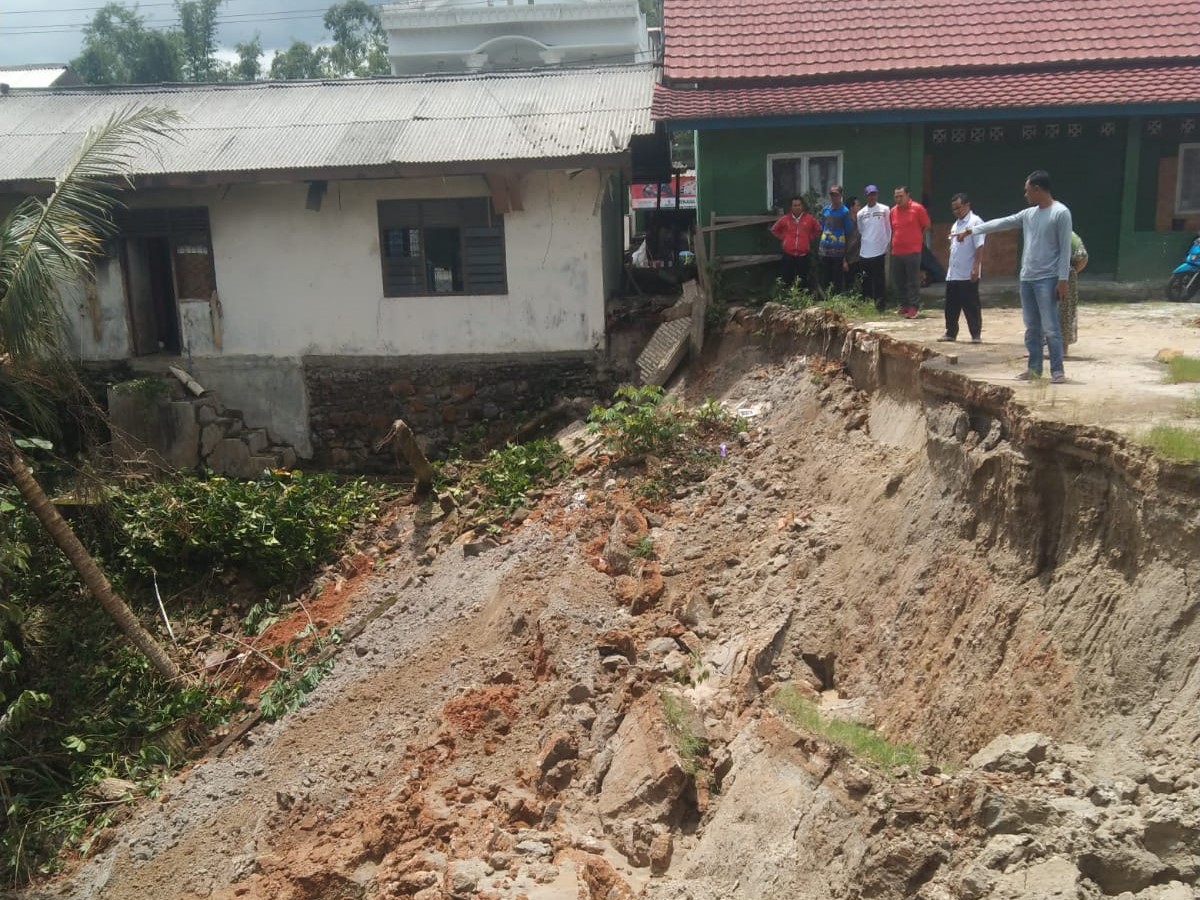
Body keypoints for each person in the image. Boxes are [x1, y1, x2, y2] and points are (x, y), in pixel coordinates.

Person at [958, 169, 1072, 382]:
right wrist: (973, 231)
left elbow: (1065, 249)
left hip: (1047, 279)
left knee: (1050, 327)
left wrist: (1062, 280)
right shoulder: (1028, 215)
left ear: (1038, 189)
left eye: (1027, 190)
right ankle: (1034, 369)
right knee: (1032, 327)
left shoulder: (1061, 213)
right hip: (1027, 278)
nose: (1025, 195)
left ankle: (1057, 371)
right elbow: (1002, 223)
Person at [939, 192, 986, 343]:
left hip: (967, 273)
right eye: (954, 209)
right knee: (951, 305)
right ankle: (951, 332)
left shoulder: (975, 222)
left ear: (967, 205)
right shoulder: (956, 224)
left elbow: (979, 246)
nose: (956, 211)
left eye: (959, 208)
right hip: (953, 274)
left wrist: (976, 267)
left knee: (971, 305)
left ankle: (975, 334)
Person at [889, 185, 930, 318]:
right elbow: (892, 229)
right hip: (897, 251)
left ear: (908, 195)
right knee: (899, 280)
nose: (898, 199)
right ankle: (904, 305)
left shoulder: (917, 209)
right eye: (896, 196)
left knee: (912, 280)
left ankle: (913, 307)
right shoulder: (893, 211)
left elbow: (926, 226)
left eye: (901, 196)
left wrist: (916, 239)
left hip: (913, 251)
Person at [770, 195, 821, 289]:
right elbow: (774, 230)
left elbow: (818, 230)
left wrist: (809, 238)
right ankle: (788, 298)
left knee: (802, 279)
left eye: (799, 205)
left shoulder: (809, 219)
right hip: (788, 254)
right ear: (791, 207)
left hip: (803, 255)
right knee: (787, 278)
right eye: (795, 205)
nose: (797, 207)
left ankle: (801, 299)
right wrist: (784, 238)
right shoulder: (785, 219)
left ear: (802, 206)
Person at [856, 185, 891, 310]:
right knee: (866, 280)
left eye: (874, 194)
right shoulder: (861, 213)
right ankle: (867, 304)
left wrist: (886, 243)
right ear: (866, 196)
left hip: (879, 250)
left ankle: (880, 306)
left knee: (879, 280)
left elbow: (888, 228)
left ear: (877, 195)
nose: (872, 197)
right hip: (865, 251)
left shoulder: (884, 209)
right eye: (869, 195)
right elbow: (861, 230)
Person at [818, 185, 856, 295]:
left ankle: (836, 300)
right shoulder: (825, 210)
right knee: (825, 276)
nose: (834, 197)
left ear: (841, 196)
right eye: (832, 195)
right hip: (825, 249)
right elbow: (821, 226)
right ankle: (825, 299)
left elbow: (848, 230)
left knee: (837, 278)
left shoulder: (845, 211)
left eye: (836, 195)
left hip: (838, 251)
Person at [1062, 231, 1087, 357]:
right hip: (1043, 275)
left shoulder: (1070, 236)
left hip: (1064, 278)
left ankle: (1063, 350)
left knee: (1064, 312)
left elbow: (1082, 257)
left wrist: (1070, 272)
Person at [843, 195, 862, 292]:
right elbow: (842, 242)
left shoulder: (861, 220)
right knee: (849, 284)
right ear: (851, 207)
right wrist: (844, 260)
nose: (860, 207)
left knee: (862, 281)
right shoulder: (845, 222)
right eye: (857, 205)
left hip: (860, 257)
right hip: (849, 258)